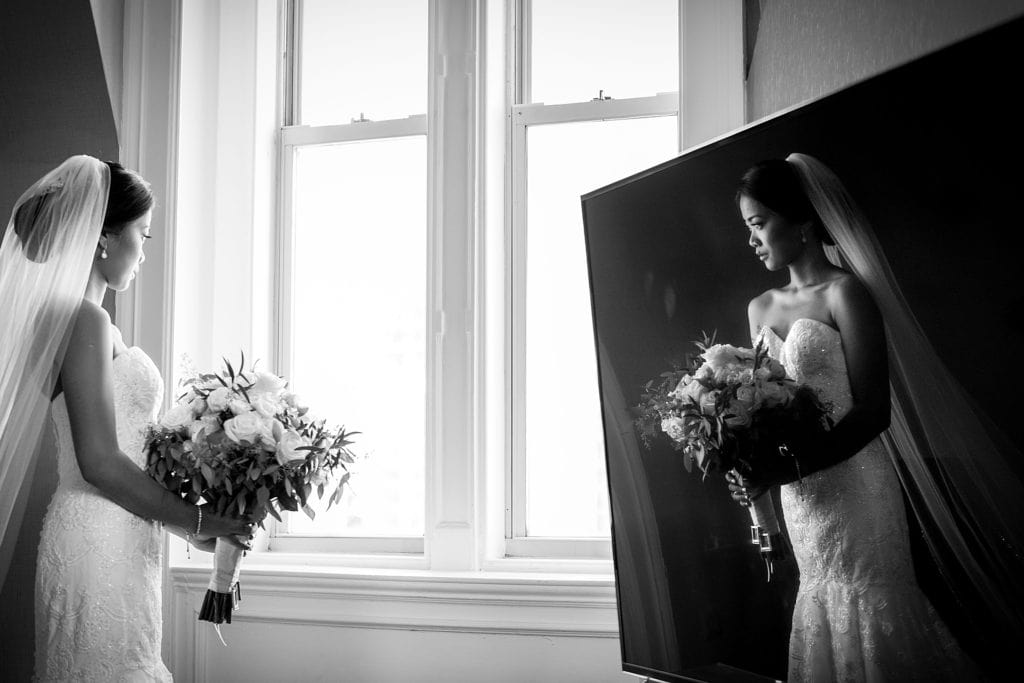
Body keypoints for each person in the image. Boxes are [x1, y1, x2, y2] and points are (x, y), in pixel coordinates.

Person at [726, 154, 1024, 681]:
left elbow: (873, 412)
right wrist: (753, 470)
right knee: (821, 604)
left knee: (870, 605)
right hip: (802, 499)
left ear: (799, 220)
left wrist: (788, 467)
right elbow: (763, 412)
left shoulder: (847, 293)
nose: (751, 239)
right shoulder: (759, 309)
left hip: (857, 483)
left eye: (758, 224)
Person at [0, 156, 255, 681]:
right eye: (143, 232)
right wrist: (199, 520)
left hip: (116, 532)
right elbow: (98, 461)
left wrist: (191, 531)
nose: (145, 250)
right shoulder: (81, 318)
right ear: (104, 239)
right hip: (97, 536)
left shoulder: (83, 320)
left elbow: (121, 454)